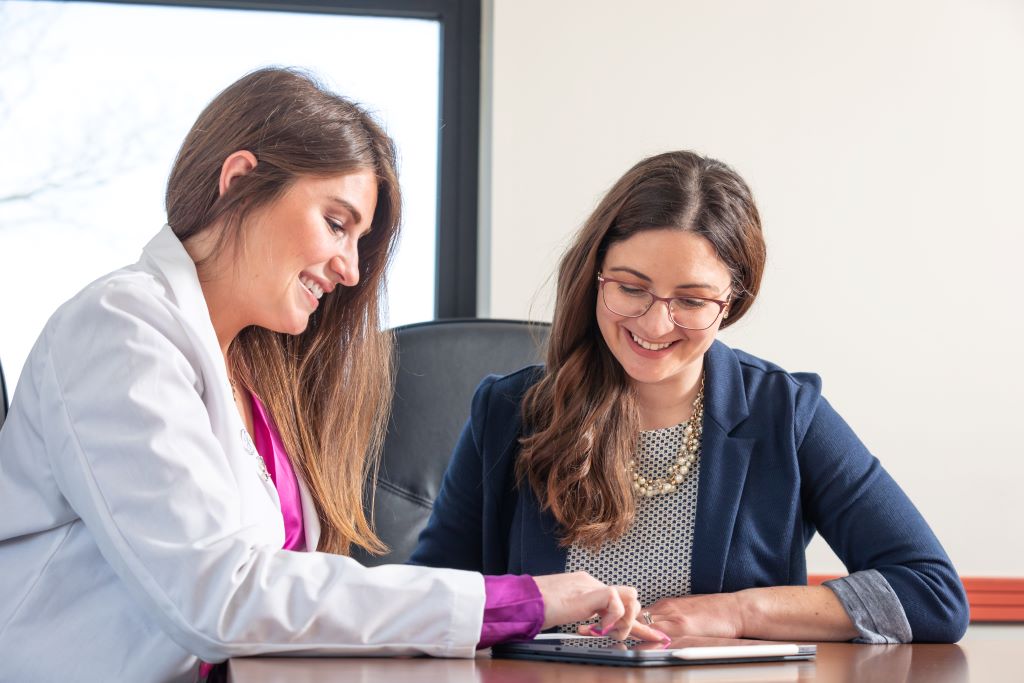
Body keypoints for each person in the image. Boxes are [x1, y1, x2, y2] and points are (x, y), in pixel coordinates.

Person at [0, 68, 651, 683]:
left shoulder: (249, 372)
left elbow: (284, 598)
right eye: (337, 223)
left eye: (360, 241)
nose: (348, 268)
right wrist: (517, 600)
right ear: (239, 180)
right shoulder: (120, 328)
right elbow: (222, 596)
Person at [411, 150, 970, 644]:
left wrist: (735, 613)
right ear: (594, 277)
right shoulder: (509, 412)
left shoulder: (786, 414)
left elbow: (933, 595)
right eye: (631, 288)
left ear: (731, 302)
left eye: (693, 299)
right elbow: (428, 602)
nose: (656, 322)